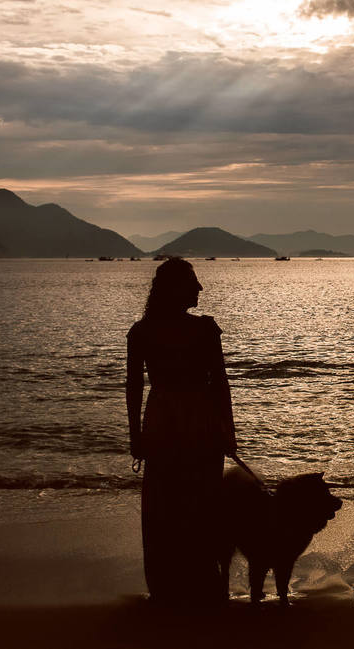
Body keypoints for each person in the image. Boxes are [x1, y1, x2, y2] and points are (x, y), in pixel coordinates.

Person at [126, 258, 237, 605]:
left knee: (167, 509)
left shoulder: (142, 331)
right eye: (193, 282)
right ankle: (202, 586)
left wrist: (135, 436)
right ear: (175, 289)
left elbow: (133, 388)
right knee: (199, 505)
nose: (200, 288)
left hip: (163, 421)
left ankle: (169, 587)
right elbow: (220, 385)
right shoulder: (204, 330)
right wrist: (227, 431)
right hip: (198, 423)